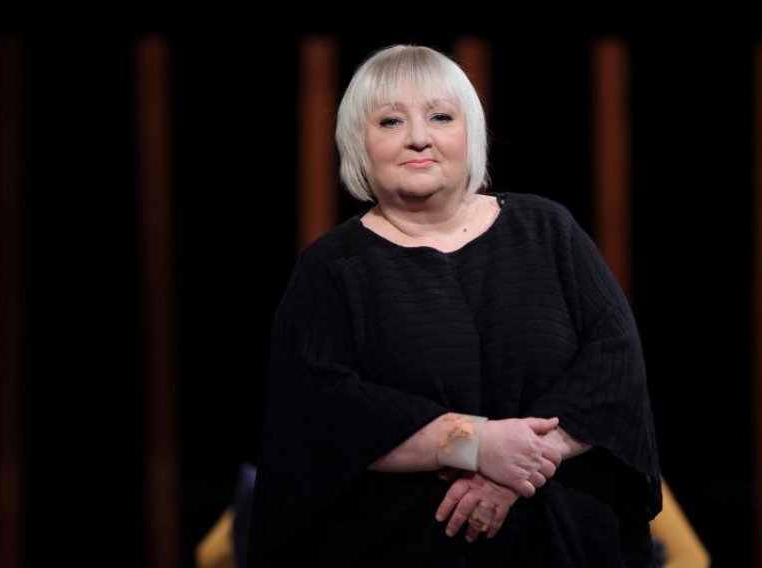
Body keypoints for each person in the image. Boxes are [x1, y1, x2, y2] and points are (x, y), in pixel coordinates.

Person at [248, 44, 661, 567]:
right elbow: (321, 412)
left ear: (471, 132)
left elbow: (614, 365)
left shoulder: (548, 230)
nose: (419, 137)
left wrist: (523, 461)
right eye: (391, 121)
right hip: (398, 549)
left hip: (565, 542)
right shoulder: (331, 268)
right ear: (358, 143)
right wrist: (476, 444)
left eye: (441, 117)